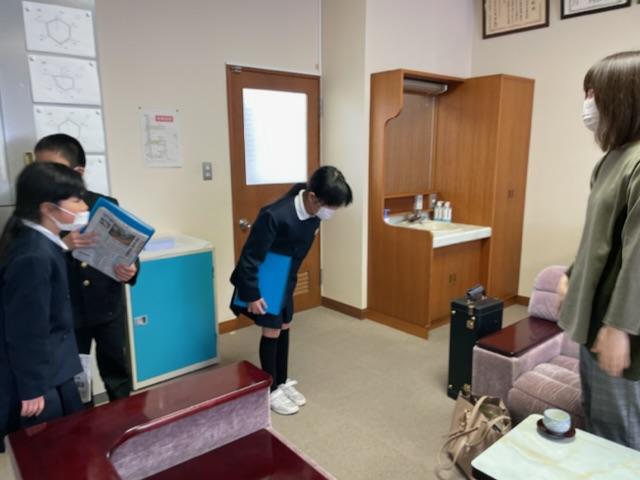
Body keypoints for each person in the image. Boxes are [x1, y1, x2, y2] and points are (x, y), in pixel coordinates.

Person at [559, 51, 640, 449]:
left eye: (594, 93)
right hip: (597, 322)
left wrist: (620, 327)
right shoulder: (613, 159)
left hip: (622, 330)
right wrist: (571, 275)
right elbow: (597, 236)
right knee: (595, 422)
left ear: (623, 98)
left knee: (618, 440)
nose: (588, 103)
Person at [230, 166, 352, 415]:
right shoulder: (274, 215)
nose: (331, 213)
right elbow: (250, 256)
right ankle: (271, 390)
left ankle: (282, 381)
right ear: (313, 197)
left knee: (285, 324)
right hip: (266, 278)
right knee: (271, 330)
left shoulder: (314, 213)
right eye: (330, 207)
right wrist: (252, 293)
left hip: (286, 276)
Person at [35, 134, 138, 402]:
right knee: (77, 379)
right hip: (66, 314)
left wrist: (131, 269)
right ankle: (83, 421)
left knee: (117, 371)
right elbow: (30, 263)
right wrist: (62, 245)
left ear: (78, 172)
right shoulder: (40, 212)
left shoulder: (104, 205)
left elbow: (127, 248)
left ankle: (126, 417)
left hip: (107, 306)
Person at [0, 162, 89, 451]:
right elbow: (26, 330)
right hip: (42, 379)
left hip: (56, 368)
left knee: (70, 441)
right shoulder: (33, 255)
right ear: (48, 208)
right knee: (49, 451)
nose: (84, 206)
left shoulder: (43, 243)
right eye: (76, 200)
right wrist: (32, 388)